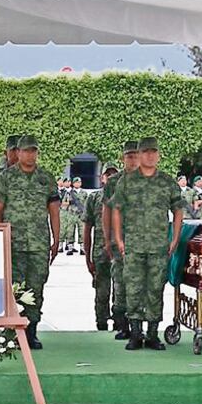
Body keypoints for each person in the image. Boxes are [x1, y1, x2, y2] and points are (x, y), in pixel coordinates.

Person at [111, 137, 184, 351]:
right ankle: (135, 333)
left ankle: (152, 333)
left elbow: (178, 209)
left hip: (159, 246)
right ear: (140, 155)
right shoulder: (126, 181)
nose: (150, 156)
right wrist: (118, 238)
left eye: (154, 152)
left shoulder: (167, 182)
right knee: (133, 288)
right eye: (146, 152)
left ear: (158, 155)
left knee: (155, 289)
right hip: (133, 245)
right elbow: (116, 208)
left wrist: (175, 237)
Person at [0, 134, 60, 349]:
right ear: (18, 152)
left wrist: (56, 238)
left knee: (36, 287)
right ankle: (13, 331)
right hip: (14, 242)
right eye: (26, 150)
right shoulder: (6, 177)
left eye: (33, 150)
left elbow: (54, 210)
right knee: (14, 288)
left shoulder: (46, 178)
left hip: (39, 243)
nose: (30, 154)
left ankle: (31, 331)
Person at [103, 141, 140, 340]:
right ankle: (123, 325)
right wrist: (108, 238)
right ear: (123, 158)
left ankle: (140, 326)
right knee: (121, 282)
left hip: (145, 241)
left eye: (136, 155)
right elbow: (106, 211)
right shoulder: (113, 182)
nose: (133, 159)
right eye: (129, 156)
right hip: (120, 240)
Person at [84, 163, 120, 330]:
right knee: (102, 290)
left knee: (121, 289)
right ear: (102, 178)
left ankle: (121, 322)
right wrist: (87, 257)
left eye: (114, 174)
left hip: (121, 251)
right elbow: (87, 228)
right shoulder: (94, 198)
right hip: (101, 252)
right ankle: (101, 322)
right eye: (108, 174)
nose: (111, 177)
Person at [70, 176, 88, 255]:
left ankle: (82, 247)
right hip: (72, 214)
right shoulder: (70, 193)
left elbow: (87, 203)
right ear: (73, 184)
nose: (77, 184)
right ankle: (70, 247)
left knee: (82, 231)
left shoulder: (84, 193)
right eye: (76, 182)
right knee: (70, 231)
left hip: (81, 214)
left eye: (79, 182)